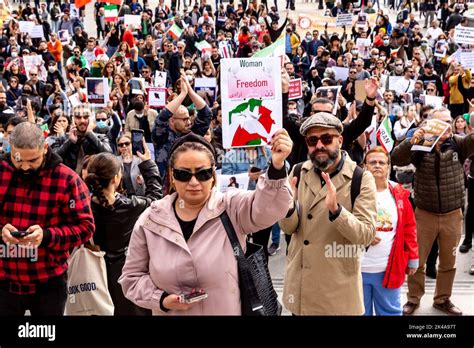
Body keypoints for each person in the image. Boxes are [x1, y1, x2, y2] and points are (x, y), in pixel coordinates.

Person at [119, 131, 293, 315]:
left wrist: (276, 167)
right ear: (172, 176)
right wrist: (160, 299)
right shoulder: (150, 220)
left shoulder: (231, 207)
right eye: (183, 174)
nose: (194, 182)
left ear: (213, 175)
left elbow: (268, 208)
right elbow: (131, 278)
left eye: (202, 173)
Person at [280, 112, 377, 315]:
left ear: (339, 140)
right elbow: (288, 228)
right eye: (312, 140)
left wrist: (337, 211)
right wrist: (288, 206)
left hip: (338, 293)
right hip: (302, 287)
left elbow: (366, 235)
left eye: (326, 138)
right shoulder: (298, 172)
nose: (319, 145)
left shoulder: (361, 178)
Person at [0, 122, 94, 315]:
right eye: (18, 160)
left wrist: (48, 236)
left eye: (32, 160)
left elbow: (85, 227)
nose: (25, 167)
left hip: (48, 282)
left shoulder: (67, 179)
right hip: (4, 279)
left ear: (44, 148)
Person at [391, 107, 474, 316]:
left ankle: (443, 299)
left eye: (448, 121)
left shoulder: (458, 143)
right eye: (440, 122)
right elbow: (396, 158)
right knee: (416, 262)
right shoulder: (419, 144)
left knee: (448, 261)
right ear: (429, 125)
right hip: (424, 214)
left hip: (452, 214)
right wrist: (411, 141)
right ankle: (413, 299)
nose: (445, 126)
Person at [85, 140, 162, 316]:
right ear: (116, 178)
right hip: (128, 276)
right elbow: (156, 199)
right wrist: (148, 164)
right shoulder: (130, 205)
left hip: (94, 276)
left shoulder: (84, 208)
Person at [362, 147, 419, 316]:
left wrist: (413, 258)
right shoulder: (353, 191)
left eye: (382, 162)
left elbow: (409, 228)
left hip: (389, 269)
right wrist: (363, 234)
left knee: (390, 312)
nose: (377, 166)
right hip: (358, 269)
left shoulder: (399, 194)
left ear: (388, 166)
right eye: (372, 162)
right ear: (364, 166)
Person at [152, 74, 211, 179]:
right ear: (172, 120)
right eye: (184, 119)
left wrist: (190, 92)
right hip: (167, 187)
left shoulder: (191, 135)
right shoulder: (162, 136)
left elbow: (206, 114)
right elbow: (161, 119)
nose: (188, 122)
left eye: (188, 118)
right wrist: (182, 94)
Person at [55, 105, 112, 173]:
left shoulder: (101, 137)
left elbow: (109, 156)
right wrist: (69, 142)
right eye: (78, 117)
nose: (82, 120)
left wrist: (90, 134)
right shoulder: (63, 139)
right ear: (72, 119)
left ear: (91, 119)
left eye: (86, 117)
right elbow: (52, 159)